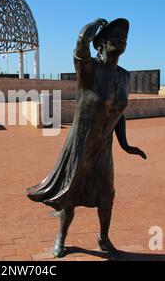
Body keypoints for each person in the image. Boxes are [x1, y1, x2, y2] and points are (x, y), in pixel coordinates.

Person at [27, 18, 147, 258]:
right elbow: (81, 43)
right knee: (71, 193)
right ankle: (61, 237)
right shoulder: (89, 69)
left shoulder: (125, 76)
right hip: (80, 144)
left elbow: (117, 112)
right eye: (115, 36)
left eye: (124, 37)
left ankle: (104, 238)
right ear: (100, 43)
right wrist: (94, 25)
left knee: (107, 193)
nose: (121, 40)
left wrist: (126, 145)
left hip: (103, 147)